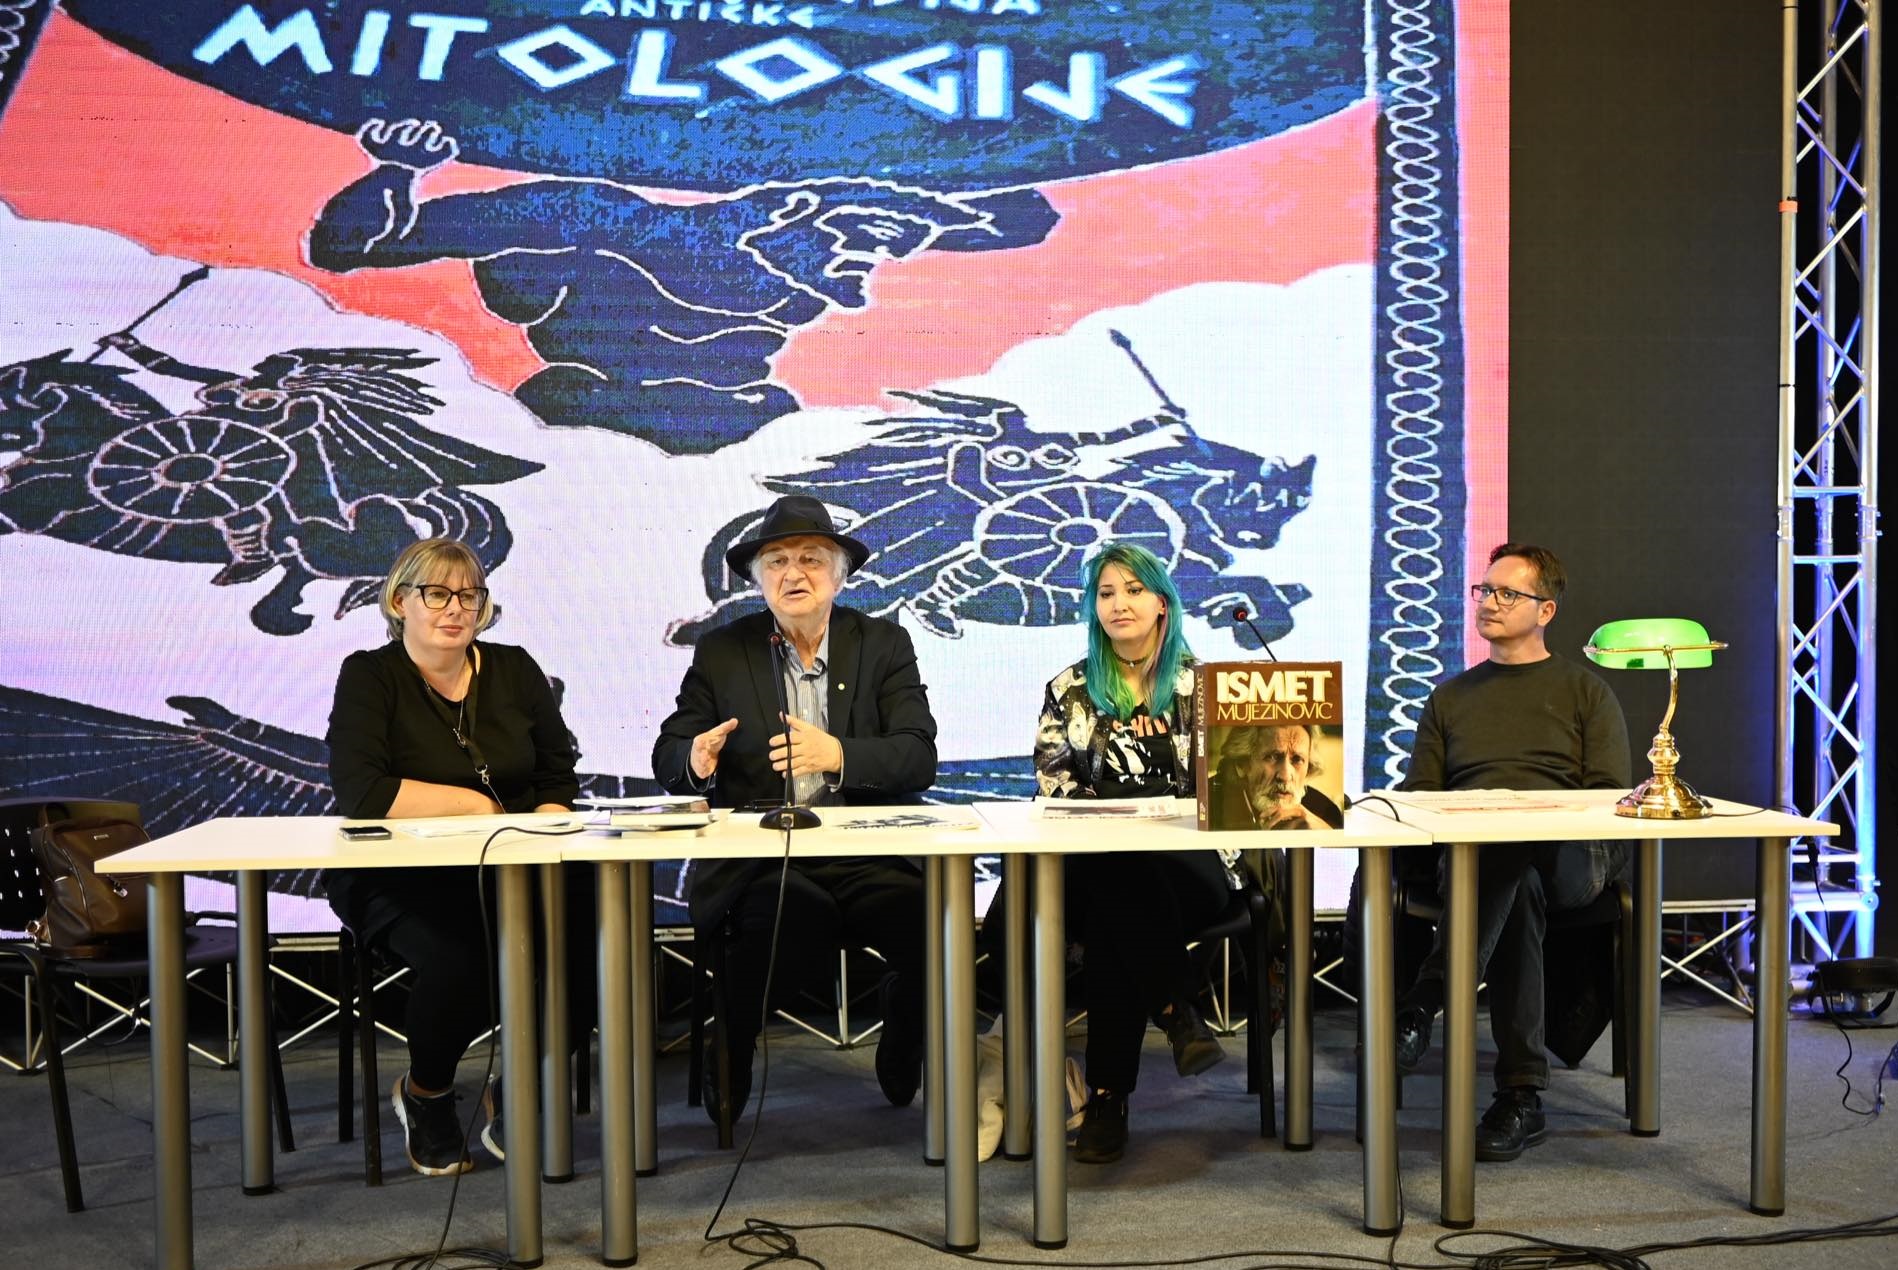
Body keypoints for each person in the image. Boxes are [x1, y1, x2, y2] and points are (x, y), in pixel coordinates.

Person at [651, 495, 937, 1126]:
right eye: (777, 561)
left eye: (811, 558)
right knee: (788, 919)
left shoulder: (883, 643)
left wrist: (838, 754)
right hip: (766, 858)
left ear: (838, 575)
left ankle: (905, 1029)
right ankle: (731, 1043)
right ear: (760, 580)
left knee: (928, 922)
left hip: (865, 851)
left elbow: (919, 756)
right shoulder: (724, 651)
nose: (793, 573)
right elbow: (668, 752)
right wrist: (695, 758)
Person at [325, 537, 593, 1176]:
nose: (456, 608)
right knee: (463, 958)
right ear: (400, 602)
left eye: (470, 595)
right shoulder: (370, 675)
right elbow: (362, 791)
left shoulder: (515, 669)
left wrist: (545, 827)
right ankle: (427, 1093)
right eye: (438, 594)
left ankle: (521, 1084)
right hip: (397, 876)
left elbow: (558, 772)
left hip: (513, 866)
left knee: (599, 937)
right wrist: (472, 805)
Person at [1393, 543, 1632, 1161]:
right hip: (1482, 858)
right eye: (1485, 591)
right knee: (1513, 880)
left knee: (1517, 854)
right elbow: (1420, 795)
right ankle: (1522, 1095)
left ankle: (1424, 1000)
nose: (1489, 603)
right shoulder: (1450, 697)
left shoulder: (1587, 692)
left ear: (1545, 610)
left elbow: (1609, 798)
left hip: (1572, 858)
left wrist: (1529, 812)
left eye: (1507, 593)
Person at [1033, 541, 1243, 1164]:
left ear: (1162, 604)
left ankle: (1108, 1098)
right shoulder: (1070, 689)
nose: (1119, 603)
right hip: (1097, 860)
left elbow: (1229, 786)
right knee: (1115, 875)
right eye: (1106, 593)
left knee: (1113, 917)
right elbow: (1053, 786)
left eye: (1133, 590)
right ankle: (1176, 1008)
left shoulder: (1206, 687)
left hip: (1188, 866)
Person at [1207, 723, 1345, 830]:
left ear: (1308, 768)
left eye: (1297, 759)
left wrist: (1326, 836)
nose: (1285, 776)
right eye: (1272, 757)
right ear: (1242, 763)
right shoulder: (1208, 808)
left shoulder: (1325, 813)